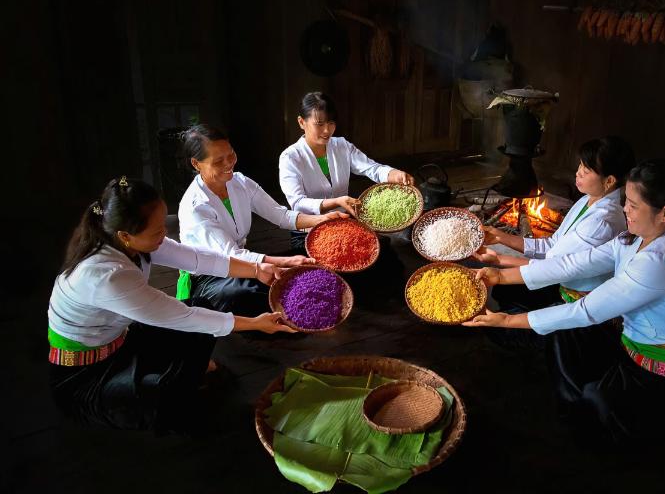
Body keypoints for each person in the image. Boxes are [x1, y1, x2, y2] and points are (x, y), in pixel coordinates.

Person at [464, 159, 665, 443]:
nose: (624, 209)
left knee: (597, 400)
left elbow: (586, 310)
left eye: (632, 204)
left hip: (664, 369)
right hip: (630, 342)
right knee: (564, 336)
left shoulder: (662, 261)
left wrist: (506, 320)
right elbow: (573, 264)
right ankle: (578, 401)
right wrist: (500, 276)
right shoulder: (634, 237)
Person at [48, 177, 296, 435]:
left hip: (120, 340)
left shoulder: (129, 242)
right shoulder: (105, 276)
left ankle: (171, 373)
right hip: (83, 373)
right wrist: (256, 323)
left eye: (163, 224)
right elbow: (182, 317)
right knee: (163, 400)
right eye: (156, 231)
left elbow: (197, 258)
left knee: (202, 309)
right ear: (126, 235)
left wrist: (257, 269)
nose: (163, 234)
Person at [177, 124, 348, 315]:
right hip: (210, 276)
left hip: (243, 261)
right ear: (196, 163)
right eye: (218, 161)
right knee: (249, 294)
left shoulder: (240, 182)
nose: (228, 164)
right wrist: (285, 261)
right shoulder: (196, 207)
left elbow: (280, 215)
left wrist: (321, 220)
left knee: (287, 279)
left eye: (231, 155)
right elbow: (230, 255)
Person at [476, 136, 635, 311]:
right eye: (580, 165)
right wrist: (500, 236)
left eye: (586, 170)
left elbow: (553, 266)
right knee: (503, 292)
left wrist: (499, 260)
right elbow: (552, 245)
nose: (578, 172)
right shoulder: (587, 200)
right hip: (558, 275)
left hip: (574, 297)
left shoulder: (602, 222)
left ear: (609, 181)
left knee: (506, 310)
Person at [279, 91, 414, 250]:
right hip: (308, 232)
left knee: (383, 256)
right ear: (302, 122)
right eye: (319, 124)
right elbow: (297, 202)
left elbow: (372, 168)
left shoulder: (341, 146)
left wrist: (393, 174)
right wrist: (336, 201)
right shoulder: (291, 157)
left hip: (343, 224)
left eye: (331, 123)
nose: (327, 131)